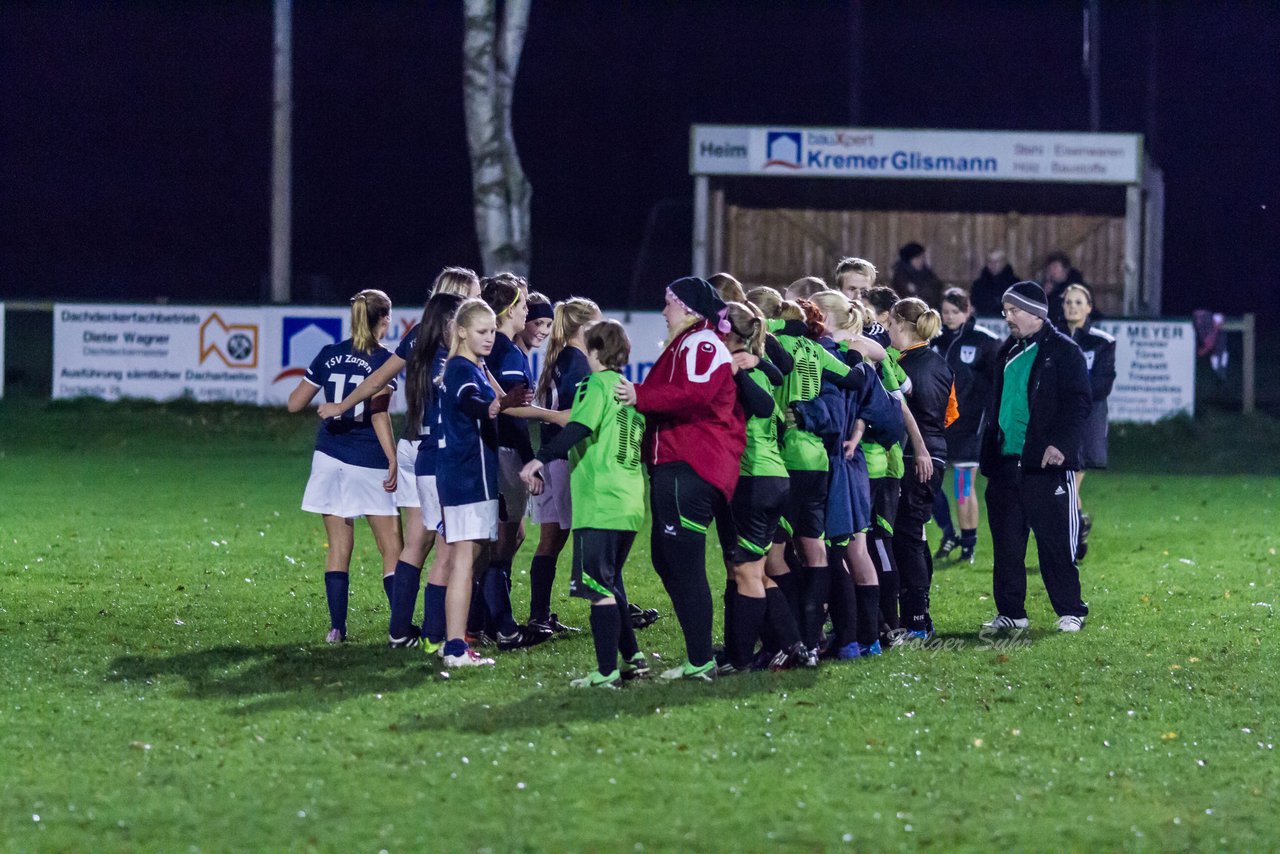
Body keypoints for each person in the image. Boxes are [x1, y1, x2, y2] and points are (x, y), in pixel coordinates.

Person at [613, 276, 745, 681]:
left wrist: (641, 396)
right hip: (678, 464)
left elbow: (697, 392)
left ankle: (701, 660)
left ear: (689, 308)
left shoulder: (701, 343)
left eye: (669, 302)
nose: (664, 309)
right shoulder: (688, 343)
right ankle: (698, 656)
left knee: (683, 562)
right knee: (665, 558)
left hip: (691, 464)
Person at [520, 320, 651, 687]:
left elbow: (578, 427)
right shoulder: (630, 390)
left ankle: (606, 672)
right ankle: (633, 658)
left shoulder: (594, 385)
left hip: (600, 502)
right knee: (611, 583)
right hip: (629, 501)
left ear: (593, 351)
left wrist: (539, 458)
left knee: (598, 590)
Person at [288, 290, 402, 644]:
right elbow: (380, 413)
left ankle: (337, 628)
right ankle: (400, 629)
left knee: (339, 546)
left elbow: (294, 404)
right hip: (367, 458)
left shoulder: (329, 354)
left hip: (328, 456)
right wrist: (393, 457)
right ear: (384, 320)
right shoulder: (384, 360)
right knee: (392, 548)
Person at [979, 282, 1091, 634]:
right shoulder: (1006, 350)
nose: (1007, 317)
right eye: (1005, 310)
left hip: (1045, 465)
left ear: (1035, 313)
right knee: (1008, 545)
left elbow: (1079, 403)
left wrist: (1060, 444)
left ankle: (1071, 610)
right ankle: (1012, 612)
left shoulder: (1063, 351)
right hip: (1006, 463)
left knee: (1055, 544)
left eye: (1013, 310)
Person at [435, 298, 506, 667]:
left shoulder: (468, 366)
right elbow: (470, 402)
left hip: (464, 477)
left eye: (494, 330)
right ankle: (455, 647)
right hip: (466, 478)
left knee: (471, 558)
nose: (491, 337)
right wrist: (490, 407)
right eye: (482, 331)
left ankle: (455, 640)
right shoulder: (463, 370)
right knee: (463, 561)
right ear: (461, 332)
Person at [525, 297, 601, 634]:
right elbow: (574, 413)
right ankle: (613, 606)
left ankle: (539, 615)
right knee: (594, 534)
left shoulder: (558, 357)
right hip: (567, 458)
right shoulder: (578, 362)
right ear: (585, 327)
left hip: (551, 456)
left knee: (551, 540)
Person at [886, 297, 957, 642]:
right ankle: (920, 616)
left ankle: (915, 621)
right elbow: (950, 414)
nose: (886, 331)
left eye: (889, 325)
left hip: (915, 456)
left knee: (907, 537)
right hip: (936, 453)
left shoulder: (901, 366)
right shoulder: (941, 365)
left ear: (902, 325)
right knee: (915, 535)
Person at [931, 288, 1001, 565]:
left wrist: (987, 419)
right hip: (938, 425)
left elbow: (997, 385)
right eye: (945, 312)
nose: (948, 317)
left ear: (967, 310)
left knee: (962, 487)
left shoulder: (985, 341)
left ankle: (968, 544)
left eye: (954, 312)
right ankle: (949, 533)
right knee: (929, 483)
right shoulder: (935, 339)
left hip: (970, 426)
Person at [1062, 283, 1116, 560]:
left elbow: (1102, 385)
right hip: (1057, 421)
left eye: (1078, 302)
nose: (1072, 306)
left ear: (1089, 308)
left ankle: (1070, 544)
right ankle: (1078, 528)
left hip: (1086, 423)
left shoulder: (1102, 342)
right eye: (1068, 302)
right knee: (1064, 486)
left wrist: (1070, 394)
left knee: (1070, 483)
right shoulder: (1053, 338)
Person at [890, 242, 944, 308]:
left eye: (922, 257)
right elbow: (907, 296)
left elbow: (937, 288)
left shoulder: (928, 274)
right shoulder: (901, 277)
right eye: (917, 258)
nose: (921, 261)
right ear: (909, 260)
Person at [1042, 250, 1086, 329]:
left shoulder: (1077, 288)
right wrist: (1044, 295)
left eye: (1055, 267)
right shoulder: (1049, 287)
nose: (1052, 271)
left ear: (1066, 269)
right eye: (1050, 268)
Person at [970, 249, 1017, 316]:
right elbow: (973, 306)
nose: (993, 264)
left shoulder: (1015, 284)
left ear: (1003, 262)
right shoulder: (978, 285)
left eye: (997, 261)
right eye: (990, 261)